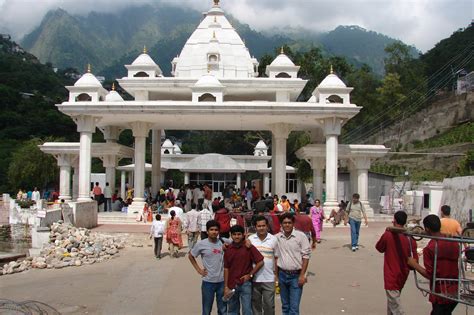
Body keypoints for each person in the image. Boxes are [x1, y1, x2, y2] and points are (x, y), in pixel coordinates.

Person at [408, 215, 460, 315]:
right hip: (454, 291)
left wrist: (414, 265)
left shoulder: (431, 248)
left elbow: (430, 274)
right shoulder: (454, 243)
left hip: (440, 292)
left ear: (427, 229)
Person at [376, 211, 418, 315]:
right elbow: (414, 259)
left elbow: (379, 248)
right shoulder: (410, 238)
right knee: (392, 302)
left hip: (391, 275)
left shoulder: (388, 234)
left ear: (394, 220)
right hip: (403, 274)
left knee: (395, 306)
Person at [275, 212, 311, 315]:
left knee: (294, 308)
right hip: (282, 275)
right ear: (281, 224)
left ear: (293, 223)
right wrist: (276, 276)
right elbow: (275, 257)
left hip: (296, 276)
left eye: (289, 223)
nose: (287, 225)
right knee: (285, 306)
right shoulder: (277, 237)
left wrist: (302, 275)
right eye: (284, 223)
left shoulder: (301, 237)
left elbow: (306, 256)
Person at [189, 220, 228, 315]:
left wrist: (247, 239)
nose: (214, 232)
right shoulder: (201, 244)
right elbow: (191, 255)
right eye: (211, 230)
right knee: (206, 310)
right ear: (207, 231)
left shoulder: (224, 241)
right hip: (208, 282)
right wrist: (198, 270)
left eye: (216, 230)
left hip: (222, 282)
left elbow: (238, 240)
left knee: (223, 310)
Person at [224, 225, 264, 315]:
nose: (237, 236)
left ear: (243, 235)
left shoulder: (248, 247)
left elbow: (260, 262)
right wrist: (226, 286)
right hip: (232, 284)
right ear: (231, 235)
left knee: (247, 310)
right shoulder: (228, 249)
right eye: (234, 234)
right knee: (232, 310)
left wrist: (250, 275)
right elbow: (226, 268)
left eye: (239, 234)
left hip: (245, 284)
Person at [248, 215, 278, 315]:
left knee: (269, 305)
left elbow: (276, 258)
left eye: (263, 226)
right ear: (255, 227)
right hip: (255, 278)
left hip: (269, 278)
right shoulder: (250, 240)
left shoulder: (273, 239)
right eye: (259, 226)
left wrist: (276, 276)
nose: (261, 228)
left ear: (267, 226)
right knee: (256, 306)